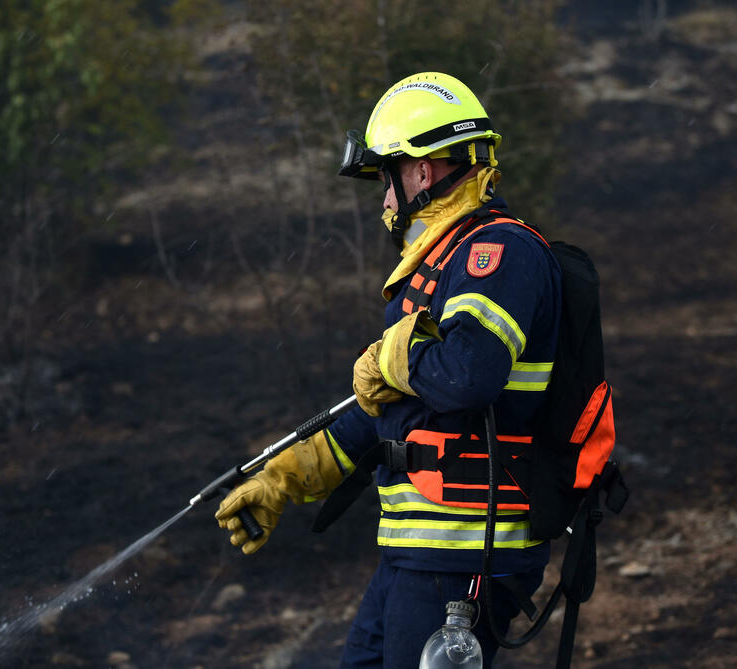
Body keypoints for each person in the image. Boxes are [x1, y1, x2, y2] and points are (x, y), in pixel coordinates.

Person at [216, 71, 562, 667]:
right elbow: (392, 414)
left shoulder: (498, 254)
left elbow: (468, 374)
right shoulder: (436, 267)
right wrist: (284, 477)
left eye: (386, 177)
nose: (384, 198)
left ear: (421, 171)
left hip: (463, 554)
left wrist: (391, 354)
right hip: (417, 553)